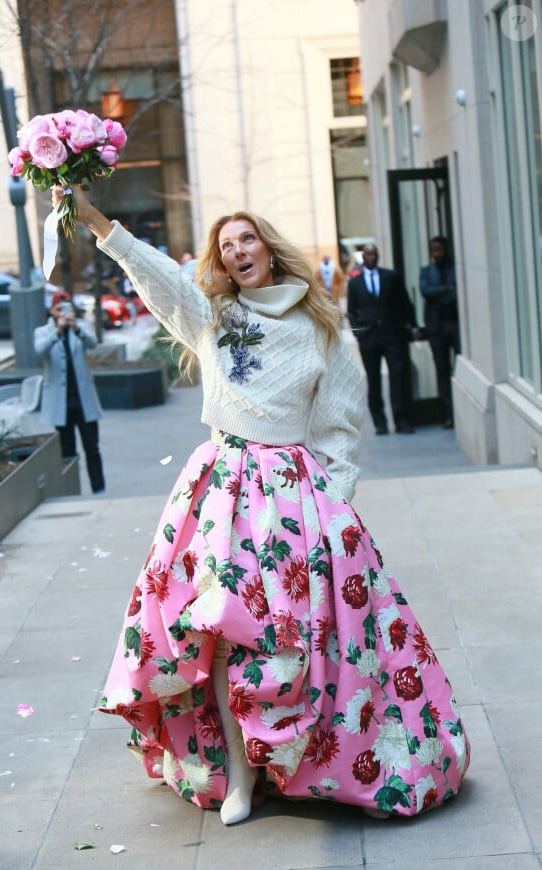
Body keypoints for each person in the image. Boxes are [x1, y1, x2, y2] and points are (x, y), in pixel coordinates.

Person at [52, 185, 470, 826]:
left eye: (246, 239)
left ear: (269, 249)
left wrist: (332, 509)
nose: (238, 250)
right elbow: (156, 274)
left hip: (293, 498)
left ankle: (289, 755)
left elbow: (338, 429)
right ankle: (241, 776)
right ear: (221, 264)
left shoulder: (321, 326)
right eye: (226, 246)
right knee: (218, 633)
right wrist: (93, 219)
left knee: (290, 639)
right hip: (219, 493)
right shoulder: (211, 315)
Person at [34, 290, 105, 494]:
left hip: (84, 401)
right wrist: (57, 330)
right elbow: (39, 350)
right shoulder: (43, 331)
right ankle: (71, 490)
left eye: (67, 308)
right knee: (67, 452)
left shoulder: (79, 329)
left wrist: (76, 328)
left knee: (92, 447)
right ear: (52, 311)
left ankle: (99, 488)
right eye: (59, 309)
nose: (63, 312)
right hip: (60, 404)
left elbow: (93, 343)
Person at [348, 243, 418, 435]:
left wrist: (412, 325)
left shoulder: (391, 277)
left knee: (398, 377)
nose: (372, 257)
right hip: (369, 340)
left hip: (392, 335)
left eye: (374, 254)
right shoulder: (355, 283)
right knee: (373, 379)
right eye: (368, 254)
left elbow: (404, 302)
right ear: (363, 256)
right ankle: (380, 422)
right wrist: (358, 334)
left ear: (378, 256)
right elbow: (351, 312)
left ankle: (401, 419)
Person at [419, 236, 460, 429]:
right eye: (435, 250)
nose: (438, 254)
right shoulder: (426, 272)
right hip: (436, 329)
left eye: (441, 250)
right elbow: (426, 291)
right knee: (442, 372)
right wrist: (447, 291)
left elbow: (457, 292)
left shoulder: (455, 268)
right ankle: (448, 414)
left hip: (455, 325)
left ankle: (459, 414)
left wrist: (441, 293)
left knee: (458, 369)